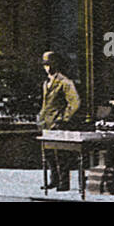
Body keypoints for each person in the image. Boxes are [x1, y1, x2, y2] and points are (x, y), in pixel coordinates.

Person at [38, 50, 81, 191]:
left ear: (57, 64)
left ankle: (64, 183)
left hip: (58, 124)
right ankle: (54, 180)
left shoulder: (64, 82)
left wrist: (64, 118)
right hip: (46, 124)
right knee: (49, 155)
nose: (48, 68)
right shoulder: (46, 83)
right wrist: (40, 117)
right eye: (45, 65)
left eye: (50, 64)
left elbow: (75, 103)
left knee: (61, 155)